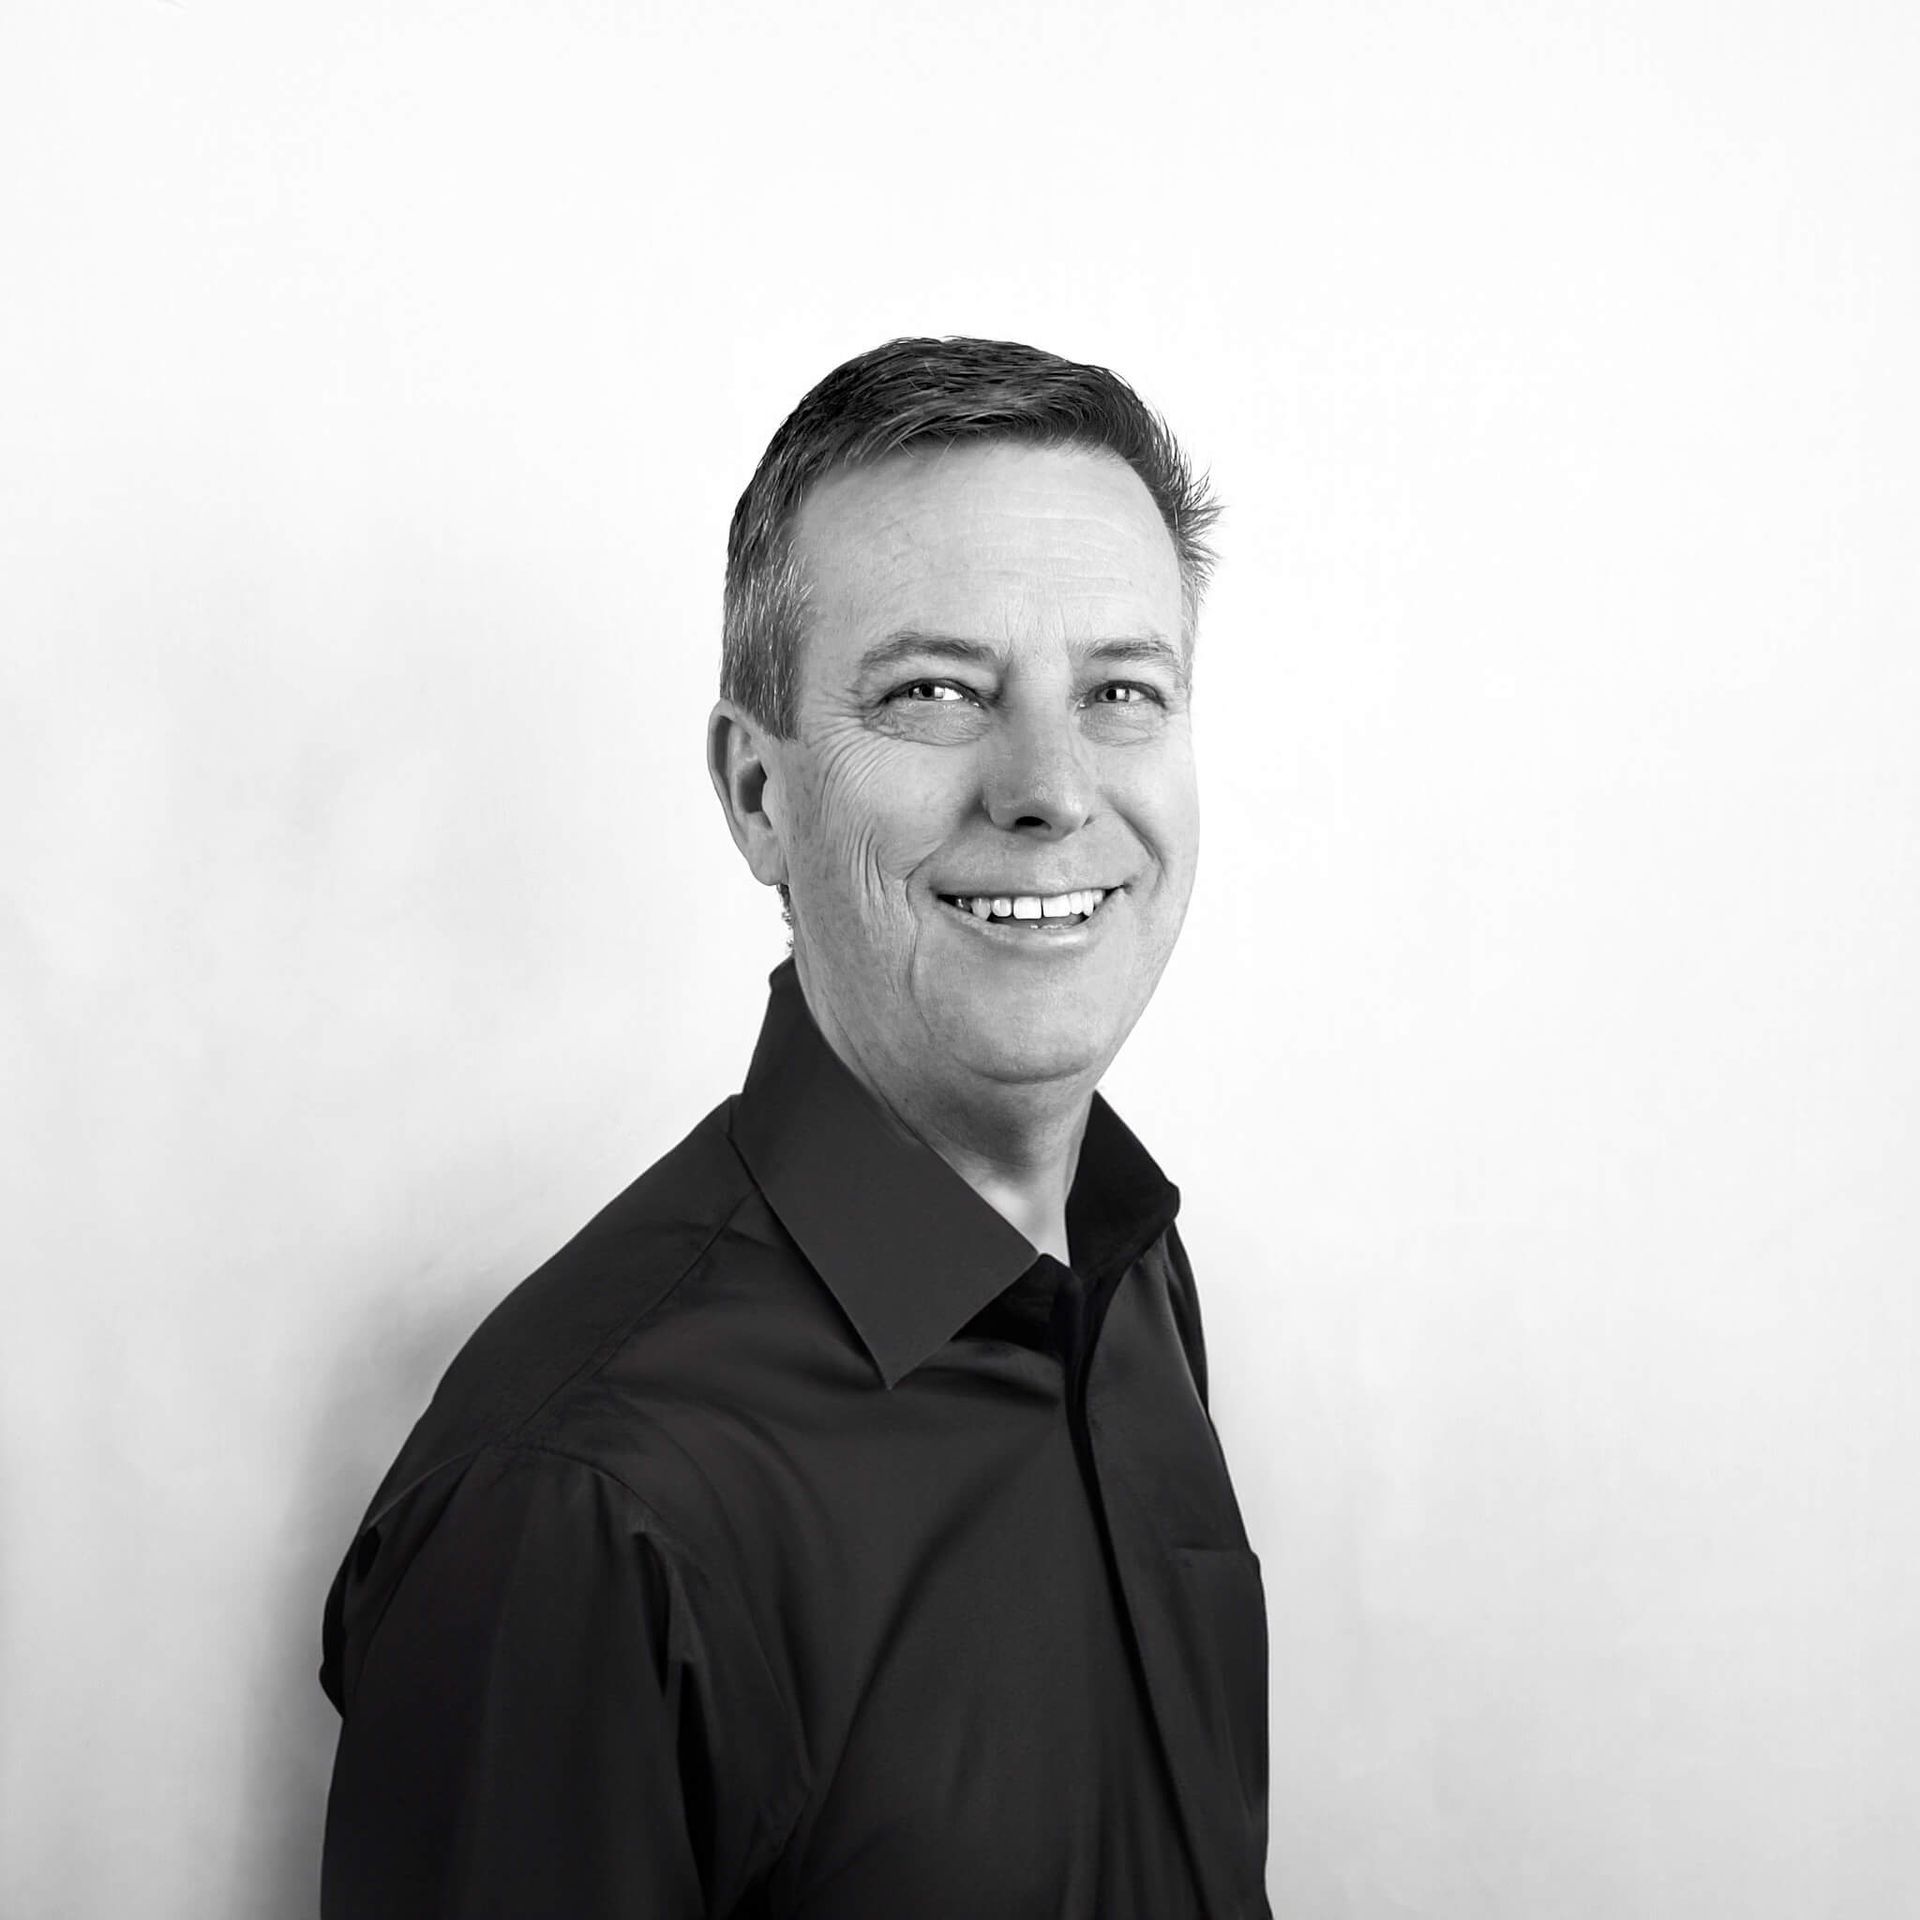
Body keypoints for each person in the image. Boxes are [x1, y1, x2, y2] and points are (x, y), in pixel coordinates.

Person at [317, 336, 1270, 1918]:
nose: (1050, 787)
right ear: (760, 794)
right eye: (934, 692)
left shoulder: (1131, 1285)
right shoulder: (576, 1510)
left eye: (1120, 691)